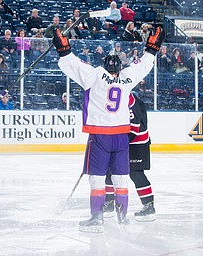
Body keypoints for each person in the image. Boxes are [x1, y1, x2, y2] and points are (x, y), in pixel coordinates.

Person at [52, 26, 164, 231]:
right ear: (119, 68)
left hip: (100, 136)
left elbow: (71, 63)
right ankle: (122, 216)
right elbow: (145, 65)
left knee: (97, 178)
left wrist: (63, 48)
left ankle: (97, 218)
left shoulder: (93, 75)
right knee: (121, 177)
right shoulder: (127, 78)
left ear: (104, 66)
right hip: (121, 136)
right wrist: (152, 48)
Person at [103, 93, 155, 222]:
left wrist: (118, 142)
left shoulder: (130, 99)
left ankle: (149, 206)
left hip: (137, 144)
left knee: (136, 173)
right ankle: (109, 203)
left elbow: (134, 128)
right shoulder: (120, 96)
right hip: (126, 141)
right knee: (110, 170)